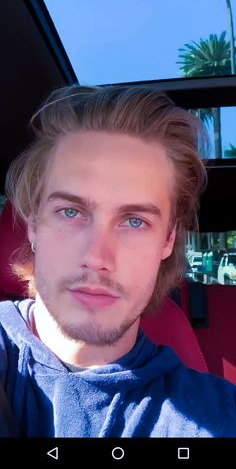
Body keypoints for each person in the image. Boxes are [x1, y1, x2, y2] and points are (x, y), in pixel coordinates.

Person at [0, 84, 235, 437]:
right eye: (70, 211)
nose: (97, 257)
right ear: (33, 225)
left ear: (168, 240)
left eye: (135, 221)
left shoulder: (218, 415)